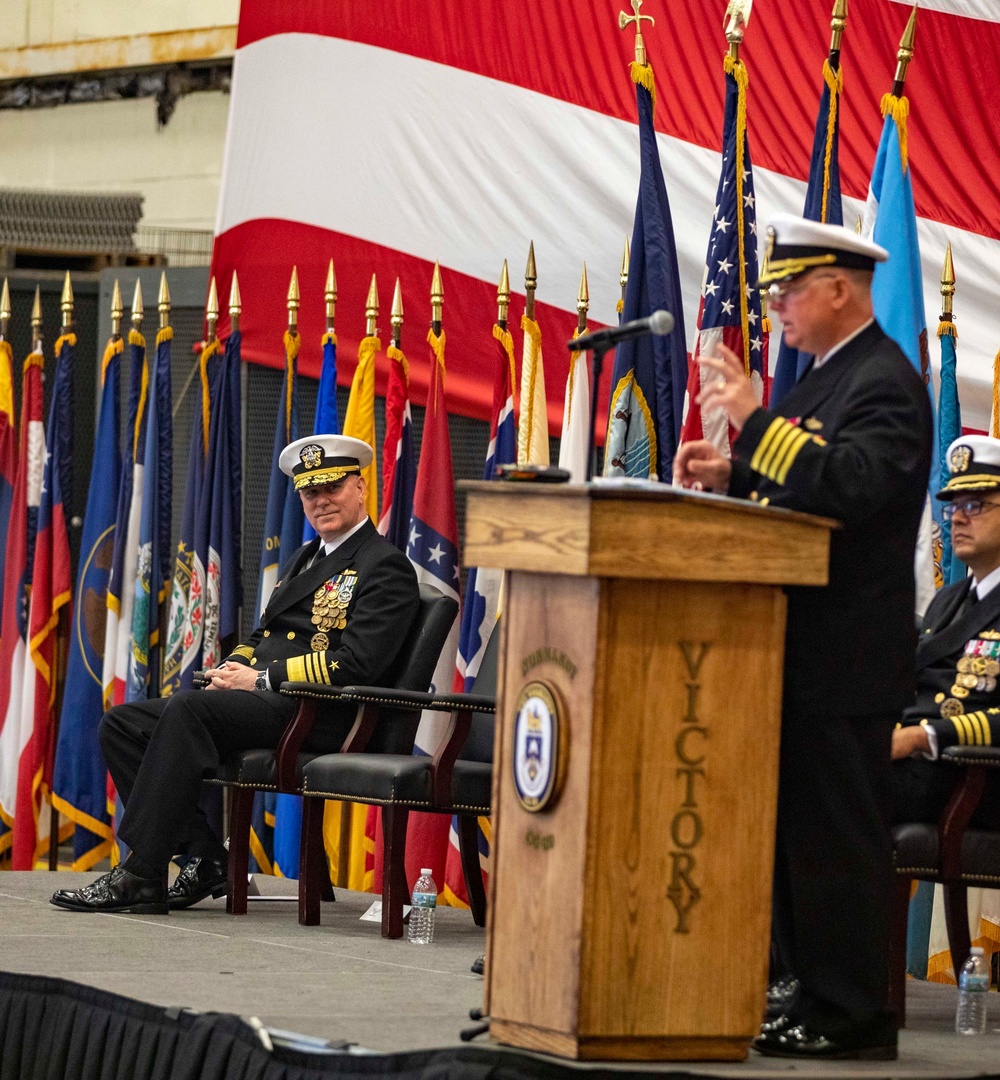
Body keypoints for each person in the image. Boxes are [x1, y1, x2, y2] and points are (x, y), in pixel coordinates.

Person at [674, 214, 932, 1060]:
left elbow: (856, 487)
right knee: (794, 837)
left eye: (788, 291)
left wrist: (755, 423)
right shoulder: (827, 375)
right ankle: (803, 992)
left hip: (847, 650)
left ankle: (851, 1013)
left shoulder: (885, 380)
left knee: (837, 840)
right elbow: (807, 488)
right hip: (798, 643)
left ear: (838, 290)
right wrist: (735, 472)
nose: (777, 306)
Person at [51, 435, 419, 916]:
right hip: (275, 701)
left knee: (187, 711)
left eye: (332, 487)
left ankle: (142, 872)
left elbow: (355, 664)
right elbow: (265, 632)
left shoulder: (384, 564)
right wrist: (236, 666)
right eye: (310, 492)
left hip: (325, 712)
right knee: (122, 723)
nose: (321, 500)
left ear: (361, 487)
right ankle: (205, 858)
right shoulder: (307, 558)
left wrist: (261, 679)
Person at [892, 434, 1000, 829]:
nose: (956, 517)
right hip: (917, 770)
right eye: (954, 505)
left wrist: (924, 736)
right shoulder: (946, 601)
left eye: (975, 505)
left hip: (971, 777)